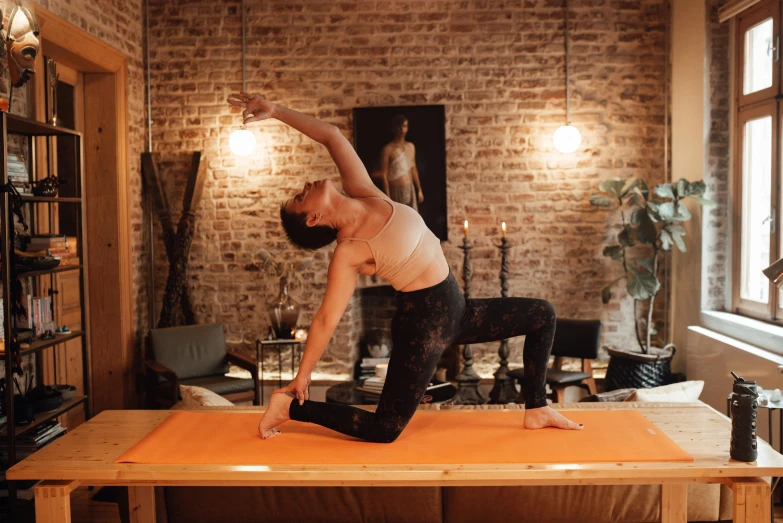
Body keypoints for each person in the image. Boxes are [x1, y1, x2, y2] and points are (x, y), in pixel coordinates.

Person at [227, 92, 583, 443]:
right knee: (384, 429)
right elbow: (325, 319)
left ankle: (537, 408)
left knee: (543, 314)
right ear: (314, 219)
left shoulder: (366, 192)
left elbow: (331, 136)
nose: (304, 186)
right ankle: (290, 409)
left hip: (458, 310)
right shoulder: (349, 251)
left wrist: (274, 110)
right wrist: (303, 375)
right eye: (301, 198)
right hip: (422, 327)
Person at [378, 115, 424, 211]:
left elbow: (413, 169)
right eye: (399, 126)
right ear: (394, 128)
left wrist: (419, 189)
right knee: (400, 219)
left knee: (412, 219)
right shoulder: (387, 149)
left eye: (404, 126)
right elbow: (384, 175)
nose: (402, 130)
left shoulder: (411, 146)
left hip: (410, 188)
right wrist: (387, 197)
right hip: (396, 190)